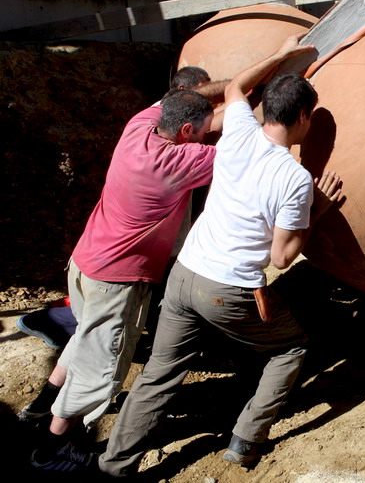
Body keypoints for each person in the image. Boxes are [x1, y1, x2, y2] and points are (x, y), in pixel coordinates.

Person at [96, 36, 344, 477]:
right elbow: (282, 257)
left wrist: (280, 54)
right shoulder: (295, 180)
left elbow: (235, 90)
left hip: (185, 274)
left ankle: (113, 466)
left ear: (264, 108)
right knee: (289, 350)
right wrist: (318, 210)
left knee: (158, 375)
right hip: (225, 289)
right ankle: (246, 439)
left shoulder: (235, 131)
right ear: (304, 118)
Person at [24, 89, 218, 472]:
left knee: (84, 336)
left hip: (85, 264)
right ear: (184, 131)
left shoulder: (138, 128)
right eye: (202, 133)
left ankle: (39, 405)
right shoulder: (180, 161)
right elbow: (250, 150)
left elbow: (170, 103)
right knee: (100, 369)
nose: (206, 139)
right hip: (116, 281)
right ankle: (50, 450)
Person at [15, 66, 226, 353]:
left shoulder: (138, 129)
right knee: (108, 349)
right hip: (121, 271)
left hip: (92, 259)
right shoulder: (179, 159)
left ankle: (54, 333)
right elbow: (237, 149)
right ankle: (62, 326)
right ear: (180, 103)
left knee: (99, 318)